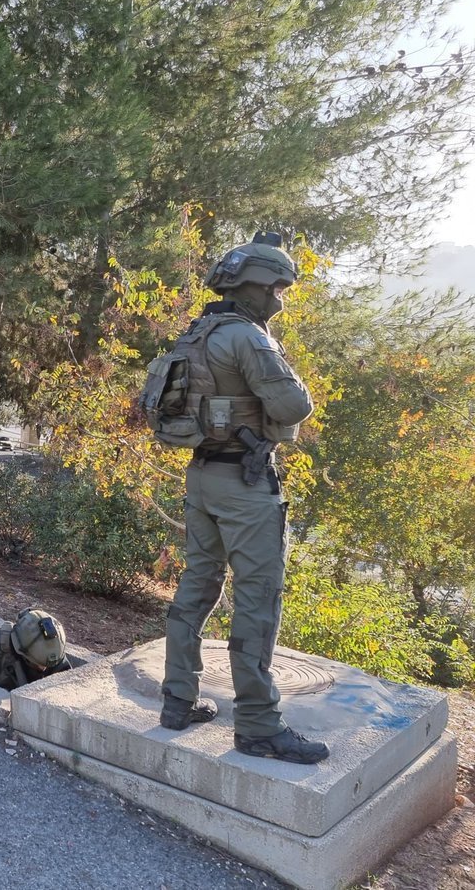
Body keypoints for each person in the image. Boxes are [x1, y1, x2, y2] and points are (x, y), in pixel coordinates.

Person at [160, 232, 329, 765]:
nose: (281, 297)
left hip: (202, 475)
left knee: (196, 586)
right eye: (277, 287)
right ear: (254, 288)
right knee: (258, 599)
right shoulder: (249, 338)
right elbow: (294, 405)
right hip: (245, 485)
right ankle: (257, 725)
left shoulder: (200, 330)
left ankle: (177, 701)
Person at [0, 608, 73, 691]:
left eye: (46, 666)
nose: (43, 669)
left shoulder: (54, 653)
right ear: (21, 651)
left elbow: (66, 690)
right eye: (38, 665)